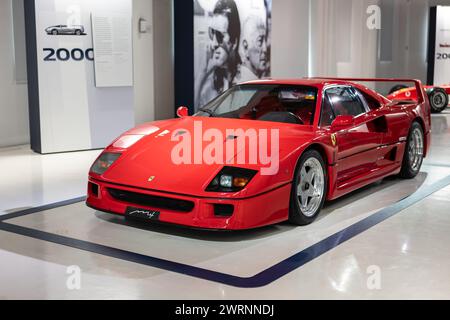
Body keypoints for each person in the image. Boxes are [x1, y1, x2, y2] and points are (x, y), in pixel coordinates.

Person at [195, 0, 241, 109]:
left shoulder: (244, 80)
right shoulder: (210, 80)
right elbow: (193, 116)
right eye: (212, 32)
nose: (214, 43)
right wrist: (202, 73)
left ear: (234, 42)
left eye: (220, 35)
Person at [236, 15, 269, 83]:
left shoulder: (254, 81)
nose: (265, 49)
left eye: (265, 40)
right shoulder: (242, 84)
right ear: (245, 47)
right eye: (260, 41)